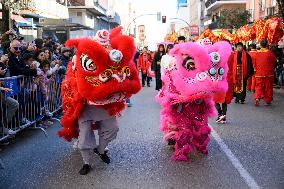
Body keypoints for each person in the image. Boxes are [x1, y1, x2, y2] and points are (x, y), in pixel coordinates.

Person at [214, 40, 234, 124]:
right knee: (224, 100)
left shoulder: (217, 55)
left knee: (215, 99)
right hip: (229, 79)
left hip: (219, 78)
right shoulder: (233, 54)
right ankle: (223, 116)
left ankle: (219, 114)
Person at [254, 39, 277, 106]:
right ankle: (268, 100)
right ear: (267, 45)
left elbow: (254, 63)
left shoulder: (257, 53)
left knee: (258, 86)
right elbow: (274, 61)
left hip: (259, 73)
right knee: (268, 87)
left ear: (260, 45)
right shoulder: (270, 53)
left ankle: (257, 98)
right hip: (269, 73)